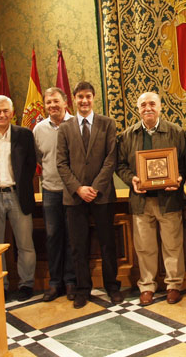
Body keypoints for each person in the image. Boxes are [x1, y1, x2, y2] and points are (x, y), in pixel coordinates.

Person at [116, 92, 186, 306]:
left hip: (169, 199)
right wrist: (133, 180)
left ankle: (174, 285)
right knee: (144, 247)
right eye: (143, 105)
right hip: (141, 201)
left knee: (173, 245)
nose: (148, 108)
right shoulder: (128, 135)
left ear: (160, 107)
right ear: (137, 109)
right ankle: (147, 286)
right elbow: (120, 165)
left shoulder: (175, 132)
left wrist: (179, 178)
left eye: (152, 104)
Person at [56, 81, 122, 308]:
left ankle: (112, 286)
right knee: (78, 245)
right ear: (73, 99)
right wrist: (79, 188)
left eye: (88, 97)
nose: (84, 101)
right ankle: (83, 289)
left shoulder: (108, 124)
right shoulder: (65, 128)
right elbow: (61, 163)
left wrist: (94, 187)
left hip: (102, 195)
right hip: (74, 198)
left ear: (94, 98)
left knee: (107, 244)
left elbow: (111, 159)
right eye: (80, 97)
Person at [0, 96, 37, 302]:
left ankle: (26, 284)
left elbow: (31, 164)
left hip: (18, 195)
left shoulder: (24, 135)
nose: (1, 115)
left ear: (12, 113)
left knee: (25, 244)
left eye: (5, 111)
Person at [33, 87, 76, 302]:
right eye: (48, 102)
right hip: (49, 191)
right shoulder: (38, 129)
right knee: (52, 237)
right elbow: (40, 158)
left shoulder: (76, 125)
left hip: (72, 191)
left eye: (56, 101)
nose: (52, 106)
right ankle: (54, 282)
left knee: (71, 237)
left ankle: (70, 281)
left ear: (65, 102)